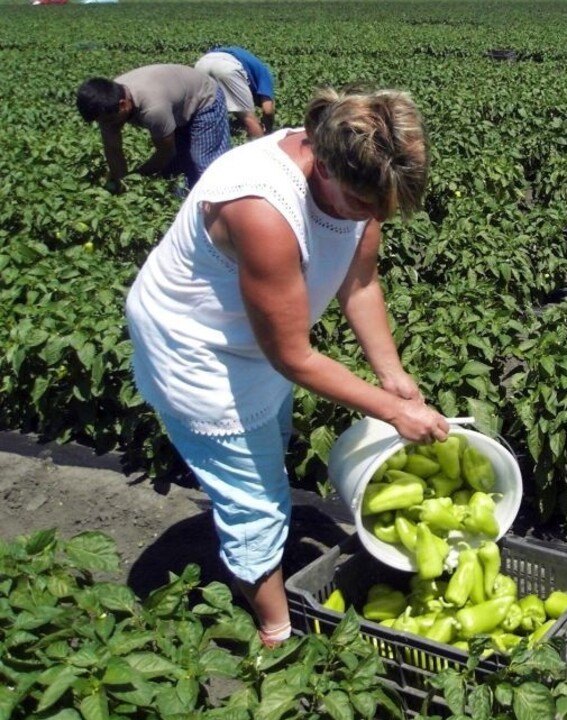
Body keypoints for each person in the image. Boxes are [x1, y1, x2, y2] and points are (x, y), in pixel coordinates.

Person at [124, 86, 450, 647]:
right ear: (321, 166)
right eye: (365, 206)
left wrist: (391, 373)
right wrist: (394, 412)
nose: (374, 218)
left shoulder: (358, 174)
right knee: (252, 498)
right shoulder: (261, 210)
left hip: (257, 342)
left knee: (268, 446)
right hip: (197, 350)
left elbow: (360, 281)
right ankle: (277, 630)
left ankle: (267, 540)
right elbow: (294, 355)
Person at [76, 64, 232, 193]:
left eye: (110, 121)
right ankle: (182, 205)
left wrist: (138, 175)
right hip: (176, 104)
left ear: (123, 105)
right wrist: (122, 184)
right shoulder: (106, 106)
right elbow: (113, 149)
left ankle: (228, 201)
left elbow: (166, 152)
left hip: (203, 98)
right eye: (102, 122)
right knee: (174, 170)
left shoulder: (153, 109)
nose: (108, 125)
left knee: (204, 164)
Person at [195, 46, 277, 139]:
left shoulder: (253, 66)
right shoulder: (266, 74)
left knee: (205, 111)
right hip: (227, 66)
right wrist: (268, 131)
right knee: (248, 118)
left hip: (202, 63)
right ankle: (261, 148)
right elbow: (268, 110)